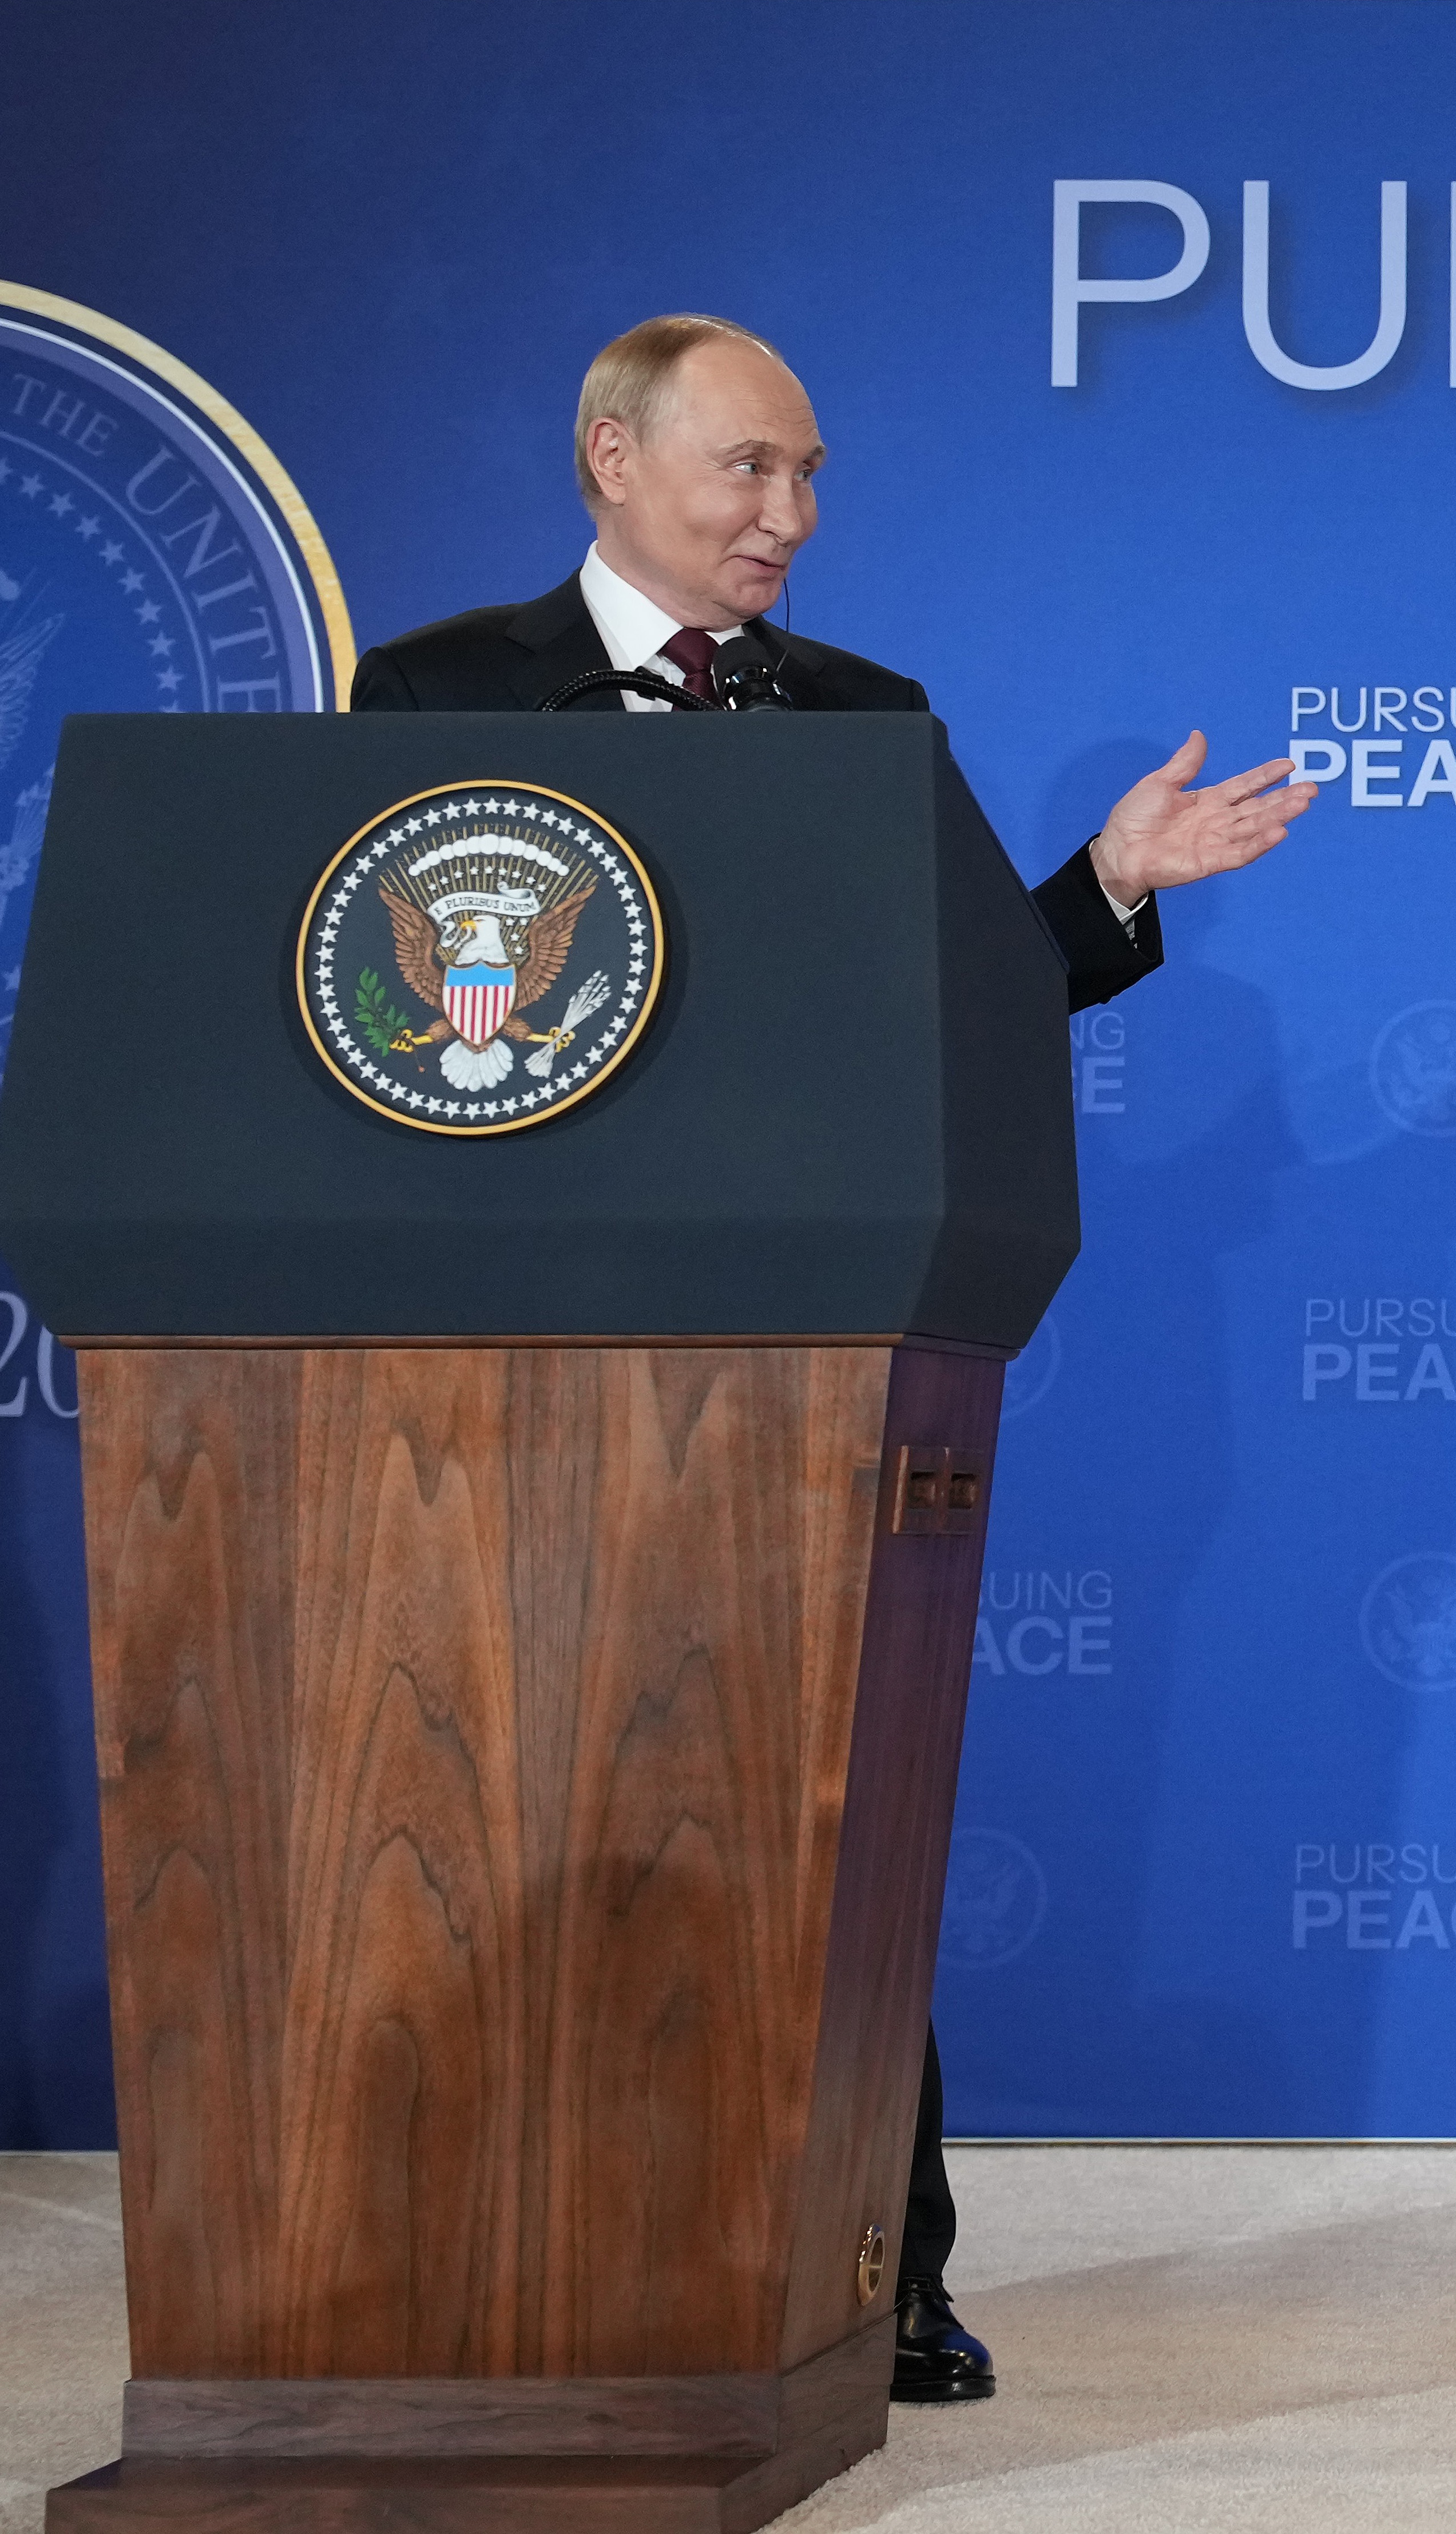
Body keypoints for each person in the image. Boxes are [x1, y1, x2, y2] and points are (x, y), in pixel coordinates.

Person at [351, 313, 1315, 2406]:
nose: (787, 515)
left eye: (809, 480)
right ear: (613, 456)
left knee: (825, 1806)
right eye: (746, 471)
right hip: (517, 1368)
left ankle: (877, 2260)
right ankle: (526, 2242)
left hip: (812, 1362)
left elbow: (970, 991)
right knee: (511, 1811)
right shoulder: (434, 687)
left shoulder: (862, 709)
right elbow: (378, 1008)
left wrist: (1110, 889)